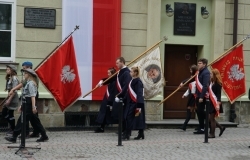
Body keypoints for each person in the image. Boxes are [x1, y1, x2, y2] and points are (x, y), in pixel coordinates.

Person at [5, 69, 48, 143]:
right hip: (26, 103)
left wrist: (33, 107)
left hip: (29, 104)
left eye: (25, 73)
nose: (24, 74)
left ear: (29, 75)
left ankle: (14, 137)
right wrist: (22, 105)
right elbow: (25, 94)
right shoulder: (27, 82)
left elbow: (32, 96)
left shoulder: (31, 83)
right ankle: (44, 136)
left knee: (21, 120)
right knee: (35, 122)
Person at [9, 61, 40, 138]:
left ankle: (25, 133)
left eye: (24, 68)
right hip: (28, 96)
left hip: (31, 96)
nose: (23, 71)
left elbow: (22, 84)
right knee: (32, 117)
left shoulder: (32, 76)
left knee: (26, 116)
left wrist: (13, 89)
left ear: (29, 68)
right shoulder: (27, 76)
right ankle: (38, 132)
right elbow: (22, 83)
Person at [122, 67, 145, 140]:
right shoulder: (132, 81)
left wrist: (139, 105)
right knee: (131, 118)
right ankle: (140, 133)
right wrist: (123, 99)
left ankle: (128, 134)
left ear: (135, 73)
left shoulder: (138, 82)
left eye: (131, 72)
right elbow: (128, 92)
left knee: (136, 118)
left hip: (136, 104)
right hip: (130, 103)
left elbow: (139, 93)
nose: (130, 73)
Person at [94, 67, 117, 133]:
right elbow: (106, 80)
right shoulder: (111, 80)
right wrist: (101, 81)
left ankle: (122, 128)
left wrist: (110, 102)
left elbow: (113, 92)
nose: (108, 74)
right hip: (106, 98)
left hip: (110, 99)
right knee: (103, 112)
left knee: (109, 113)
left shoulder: (114, 81)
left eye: (109, 73)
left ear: (112, 73)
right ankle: (101, 127)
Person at [113, 57, 132, 131]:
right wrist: (103, 81)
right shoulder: (120, 71)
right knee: (121, 114)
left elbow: (126, 85)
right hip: (121, 96)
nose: (116, 64)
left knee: (124, 114)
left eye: (117, 63)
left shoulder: (126, 72)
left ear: (122, 62)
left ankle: (125, 131)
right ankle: (122, 130)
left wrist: (120, 95)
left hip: (125, 97)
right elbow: (112, 78)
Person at [193, 58, 210, 134]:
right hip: (198, 94)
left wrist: (201, 97)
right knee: (198, 111)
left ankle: (203, 128)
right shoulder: (199, 72)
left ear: (204, 64)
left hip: (202, 96)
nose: (198, 64)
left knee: (200, 111)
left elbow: (205, 86)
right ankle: (201, 126)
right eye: (198, 63)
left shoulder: (206, 72)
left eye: (200, 63)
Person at [179, 65, 198, 131]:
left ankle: (208, 124)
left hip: (194, 96)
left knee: (194, 110)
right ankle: (184, 126)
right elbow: (189, 88)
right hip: (191, 95)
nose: (190, 71)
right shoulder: (192, 77)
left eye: (191, 70)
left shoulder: (195, 77)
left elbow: (189, 82)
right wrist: (185, 95)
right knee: (192, 110)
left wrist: (182, 82)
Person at [208, 69, 225, 138]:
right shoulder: (212, 83)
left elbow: (218, 95)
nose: (210, 75)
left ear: (215, 75)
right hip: (211, 102)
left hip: (215, 103)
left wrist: (217, 104)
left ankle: (212, 134)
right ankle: (221, 127)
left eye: (211, 74)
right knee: (210, 118)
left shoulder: (218, 84)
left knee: (211, 118)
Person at [2, 65, 19, 135]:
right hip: (10, 97)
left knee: (8, 113)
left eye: (8, 69)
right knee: (6, 113)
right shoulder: (10, 78)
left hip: (13, 98)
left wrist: (9, 100)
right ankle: (12, 128)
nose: (6, 70)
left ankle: (13, 129)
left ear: (12, 70)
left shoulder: (14, 78)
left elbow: (14, 91)